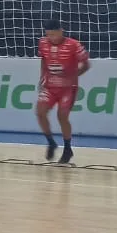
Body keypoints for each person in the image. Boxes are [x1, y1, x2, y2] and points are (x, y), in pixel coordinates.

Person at [37, 19, 90, 164]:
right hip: (50, 86)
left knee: (62, 116)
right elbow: (43, 59)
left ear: (61, 31)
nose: (51, 38)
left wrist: (74, 76)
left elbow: (86, 64)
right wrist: (42, 78)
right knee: (40, 112)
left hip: (68, 88)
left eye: (54, 35)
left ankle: (67, 148)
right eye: (49, 35)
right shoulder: (42, 43)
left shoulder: (73, 44)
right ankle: (51, 142)